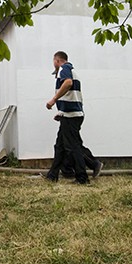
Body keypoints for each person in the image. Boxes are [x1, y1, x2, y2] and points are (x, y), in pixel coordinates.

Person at [44, 51, 102, 184]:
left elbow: (68, 83)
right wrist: (61, 112)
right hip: (69, 114)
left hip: (72, 116)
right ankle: (52, 175)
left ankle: (83, 176)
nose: (53, 64)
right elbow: (71, 95)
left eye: (54, 61)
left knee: (74, 146)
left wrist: (53, 99)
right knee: (60, 146)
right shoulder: (70, 70)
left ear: (57, 60)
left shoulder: (64, 68)